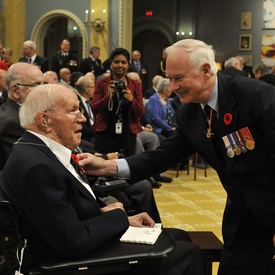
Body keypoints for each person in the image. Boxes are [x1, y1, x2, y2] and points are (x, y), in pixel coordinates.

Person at [77, 38, 275, 275]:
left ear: (205, 70)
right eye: (170, 78)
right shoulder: (189, 114)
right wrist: (108, 166)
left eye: (179, 78)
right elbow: (161, 156)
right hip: (244, 218)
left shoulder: (256, 96)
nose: (172, 86)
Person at [0, 83, 205, 275]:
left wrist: (110, 215)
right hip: (69, 265)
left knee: (179, 237)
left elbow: (61, 215)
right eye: (73, 111)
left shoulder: (36, 150)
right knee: (188, 253)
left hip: (74, 246)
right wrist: (118, 217)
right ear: (44, 120)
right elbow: (72, 242)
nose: (82, 119)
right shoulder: (38, 167)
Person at [91, 48, 144, 157]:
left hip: (128, 133)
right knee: (103, 166)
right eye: (116, 62)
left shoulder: (135, 85)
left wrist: (131, 100)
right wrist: (108, 97)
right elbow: (95, 109)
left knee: (126, 165)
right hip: (105, 132)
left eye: (123, 62)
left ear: (128, 65)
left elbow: (140, 112)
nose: (120, 65)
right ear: (111, 64)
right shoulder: (101, 83)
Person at [0, 62, 44, 168]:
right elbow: (29, 165)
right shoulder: (13, 123)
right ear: (15, 90)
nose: (43, 90)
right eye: (36, 85)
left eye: (44, 84)